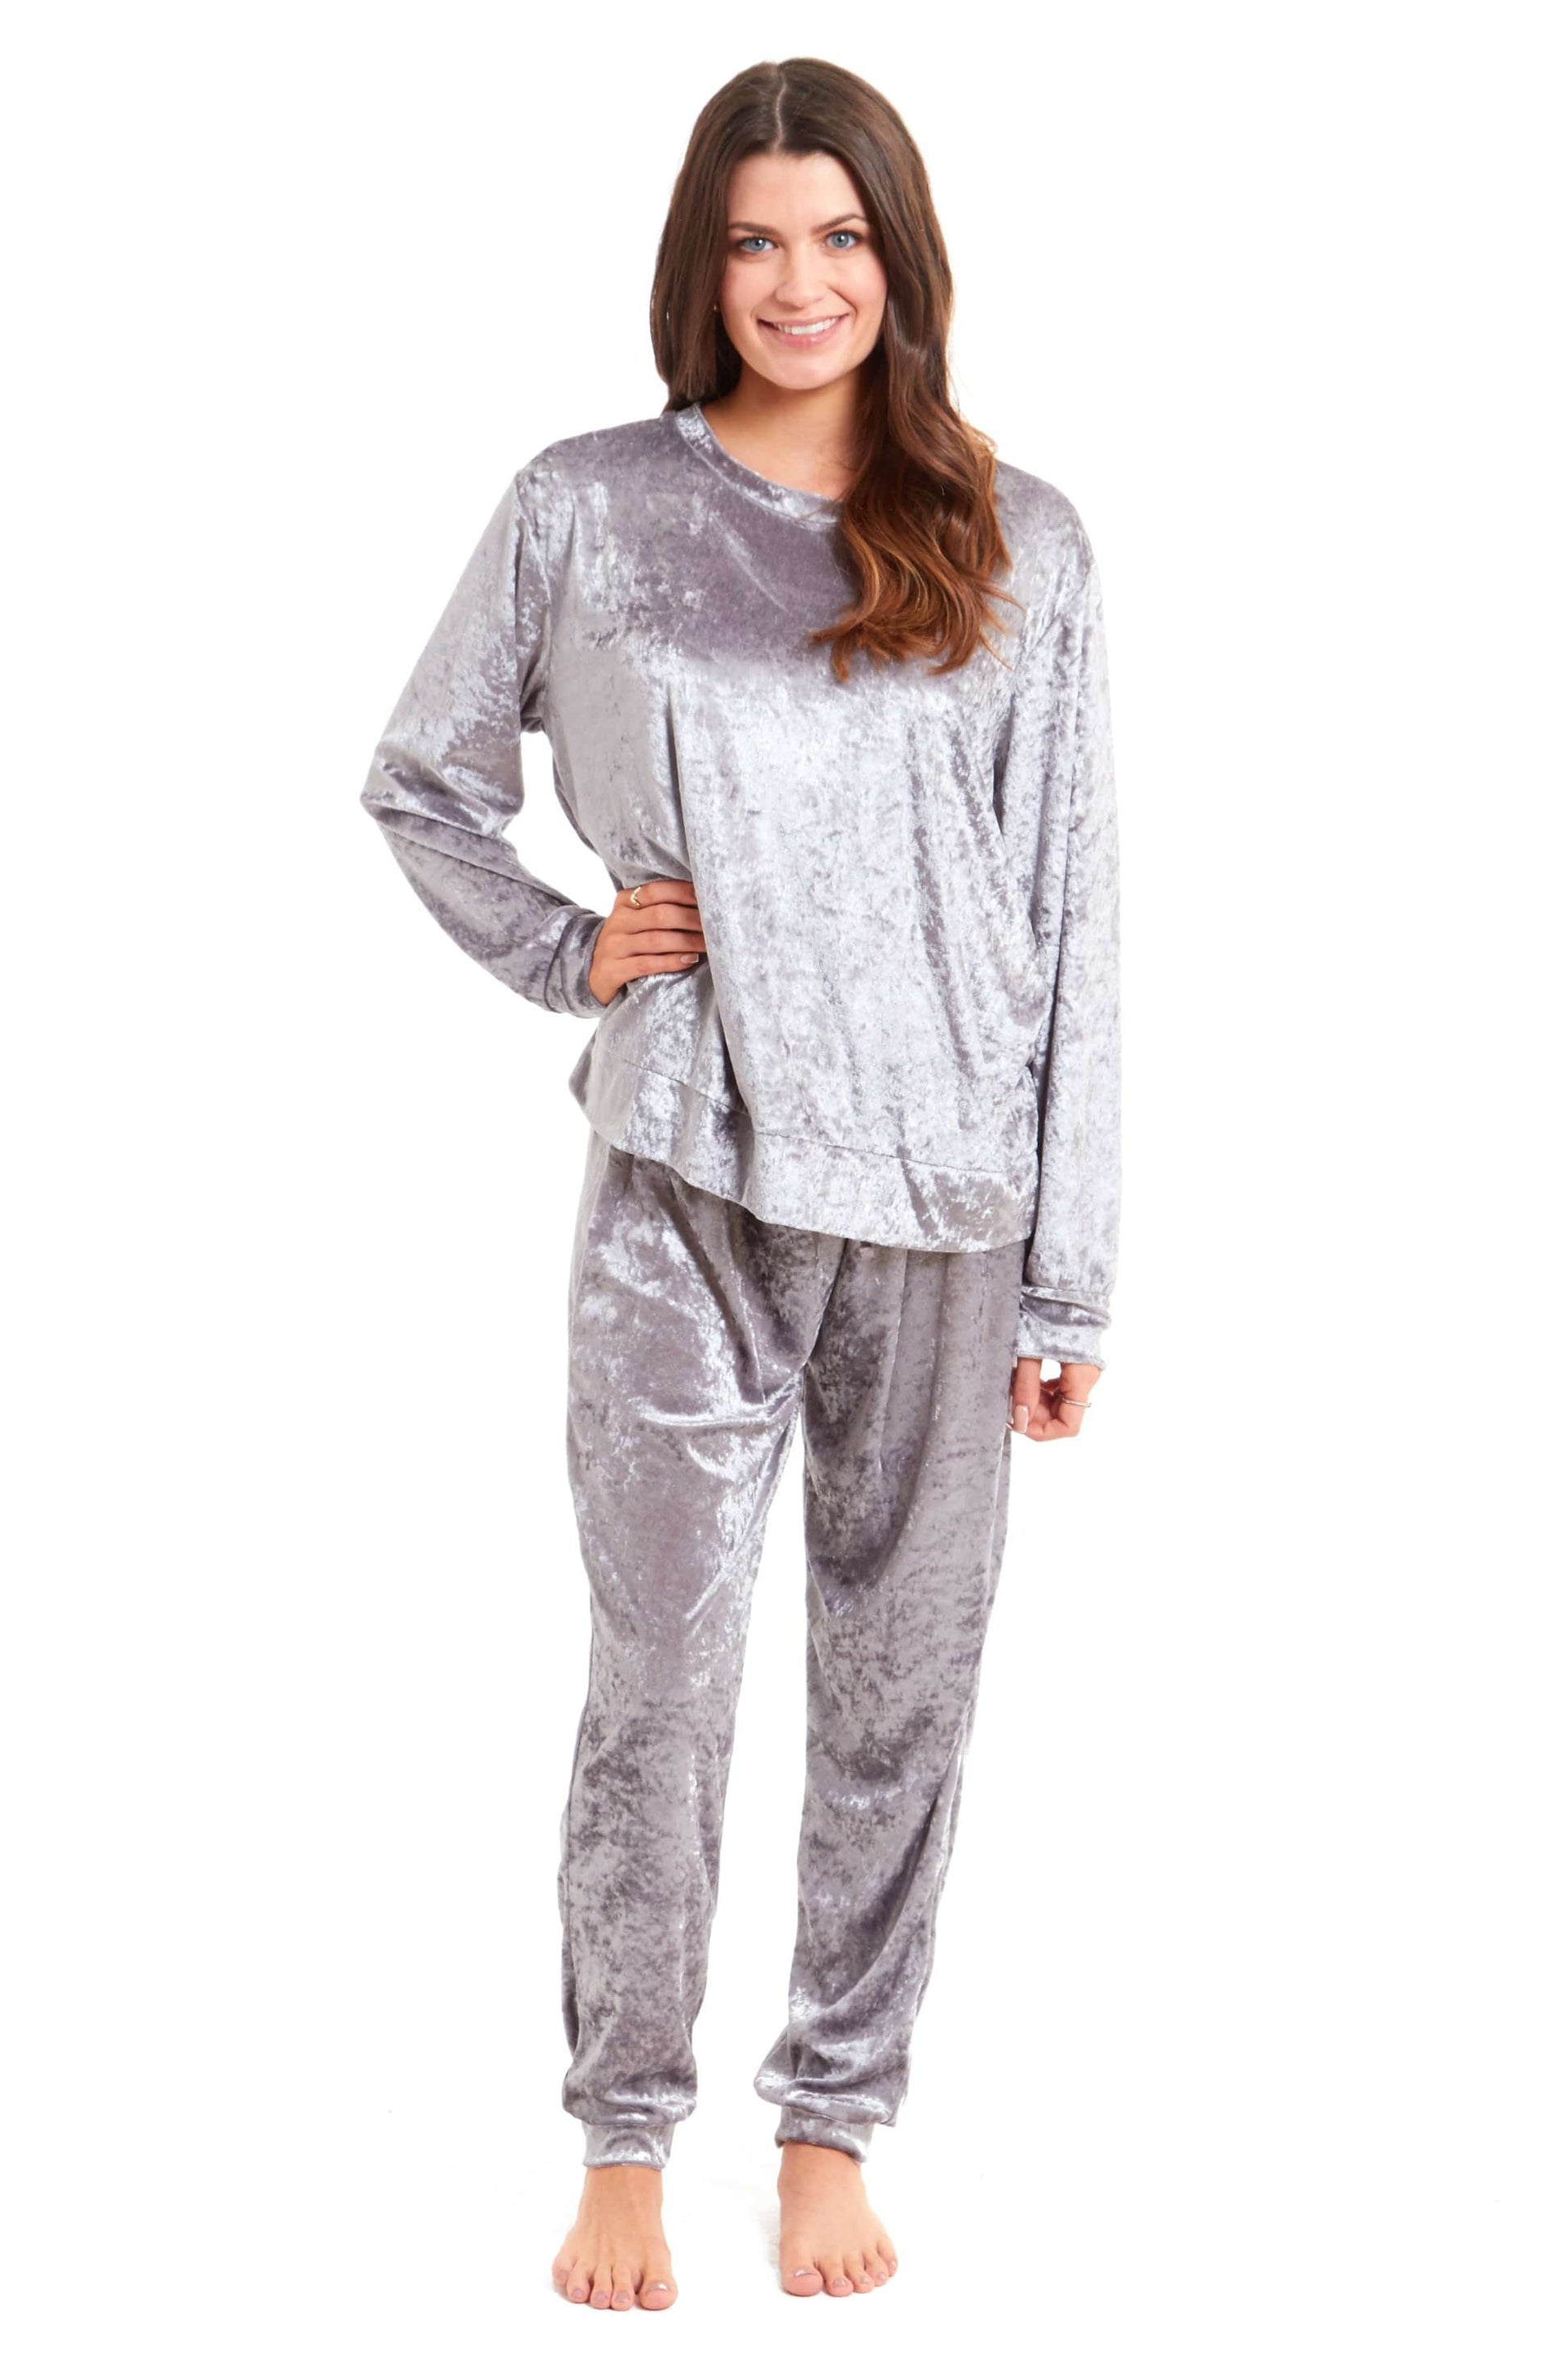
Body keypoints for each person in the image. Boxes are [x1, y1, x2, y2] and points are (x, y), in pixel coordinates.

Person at [358, 55, 1121, 2311]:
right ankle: (623, 2130)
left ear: (901, 259)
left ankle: (829, 2122)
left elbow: (1071, 915)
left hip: (951, 1202)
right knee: (662, 1685)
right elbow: (419, 780)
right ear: (702, 263)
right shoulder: (588, 506)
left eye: (841, 238)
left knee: (901, 1694)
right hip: (683, 1174)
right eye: (757, 239)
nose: (800, 283)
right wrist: (567, 950)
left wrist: (1071, 1280)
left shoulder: (1021, 536)